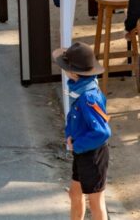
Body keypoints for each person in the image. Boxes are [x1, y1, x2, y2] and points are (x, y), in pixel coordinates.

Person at [53, 42, 111, 220]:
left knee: (95, 202)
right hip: (83, 152)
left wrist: (77, 144)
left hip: (92, 155)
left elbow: (102, 132)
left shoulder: (88, 96)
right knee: (75, 193)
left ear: (72, 72)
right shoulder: (81, 87)